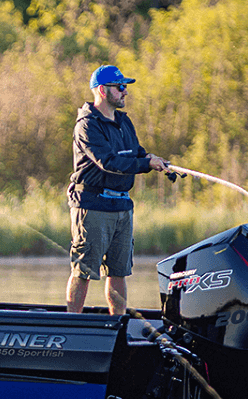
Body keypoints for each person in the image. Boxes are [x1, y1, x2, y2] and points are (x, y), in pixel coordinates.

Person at [66, 65, 172, 315]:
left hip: (122, 206)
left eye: (125, 87)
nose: (125, 92)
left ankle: (118, 325)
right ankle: (70, 325)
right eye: (120, 87)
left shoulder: (124, 121)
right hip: (92, 205)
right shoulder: (87, 125)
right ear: (103, 91)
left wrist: (149, 158)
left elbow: (134, 152)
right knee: (84, 272)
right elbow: (108, 162)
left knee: (118, 272)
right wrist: (146, 164)